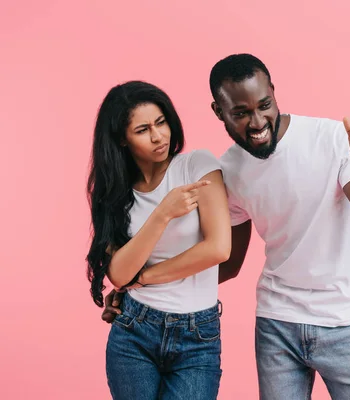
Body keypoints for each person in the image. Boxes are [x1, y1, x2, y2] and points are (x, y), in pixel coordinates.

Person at [103, 54, 350, 399]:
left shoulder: (330, 138)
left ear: (274, 92)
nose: (257, 122)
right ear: (219, 112)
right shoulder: (230, 170)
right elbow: (226, 263)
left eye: (264, 105)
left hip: (347, 321)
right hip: (277, 324)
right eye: (240, 113)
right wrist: (139, 292)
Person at [87, 80, 232, 399]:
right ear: (122, 139)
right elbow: (120, 275)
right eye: (142, 130)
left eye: (161, 122)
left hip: (198, 335)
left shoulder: (197, 165)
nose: (158, 136)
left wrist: (147, 277)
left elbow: (218, 248)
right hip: (134, 331)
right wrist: (163, 213)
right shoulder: (114, 193)